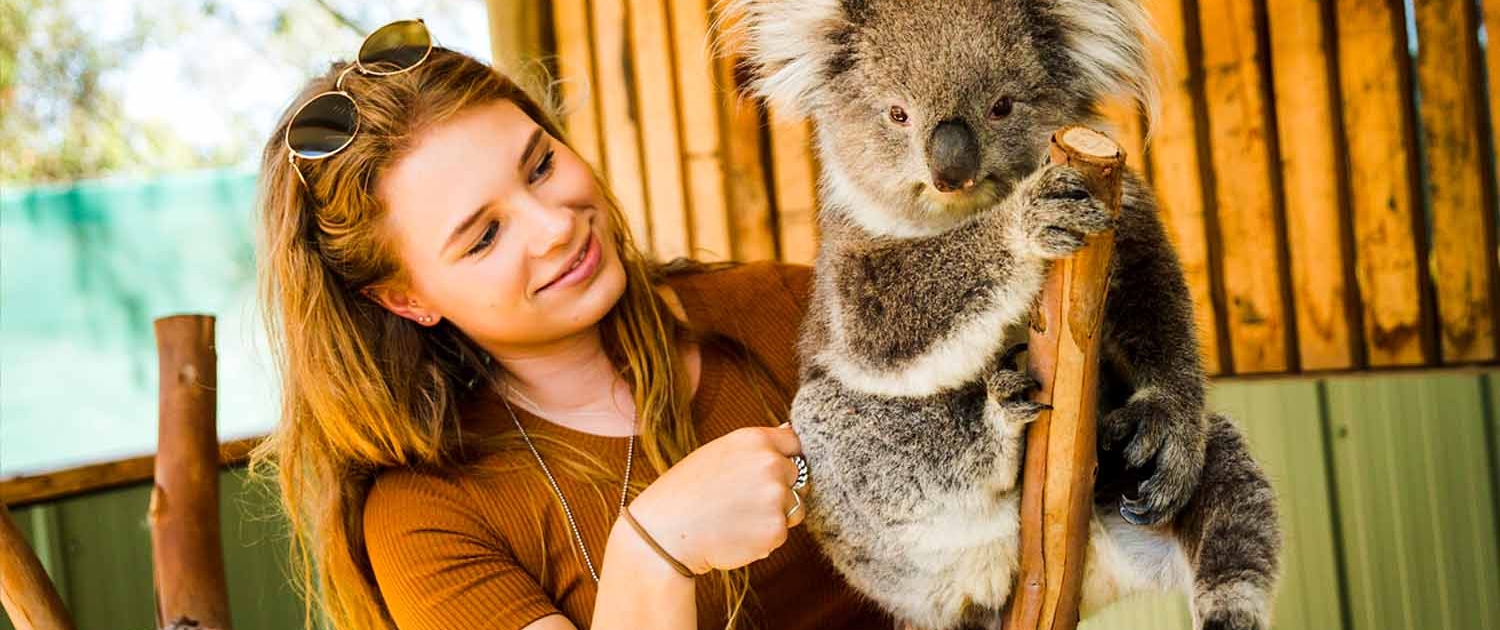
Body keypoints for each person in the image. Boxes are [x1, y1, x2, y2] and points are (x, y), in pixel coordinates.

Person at [250, 19, 895, 630]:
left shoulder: (783, 305)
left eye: (540, 166)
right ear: (403, 299)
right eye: (485, 237)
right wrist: (654, 553)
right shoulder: (427, 516)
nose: (557, 226)